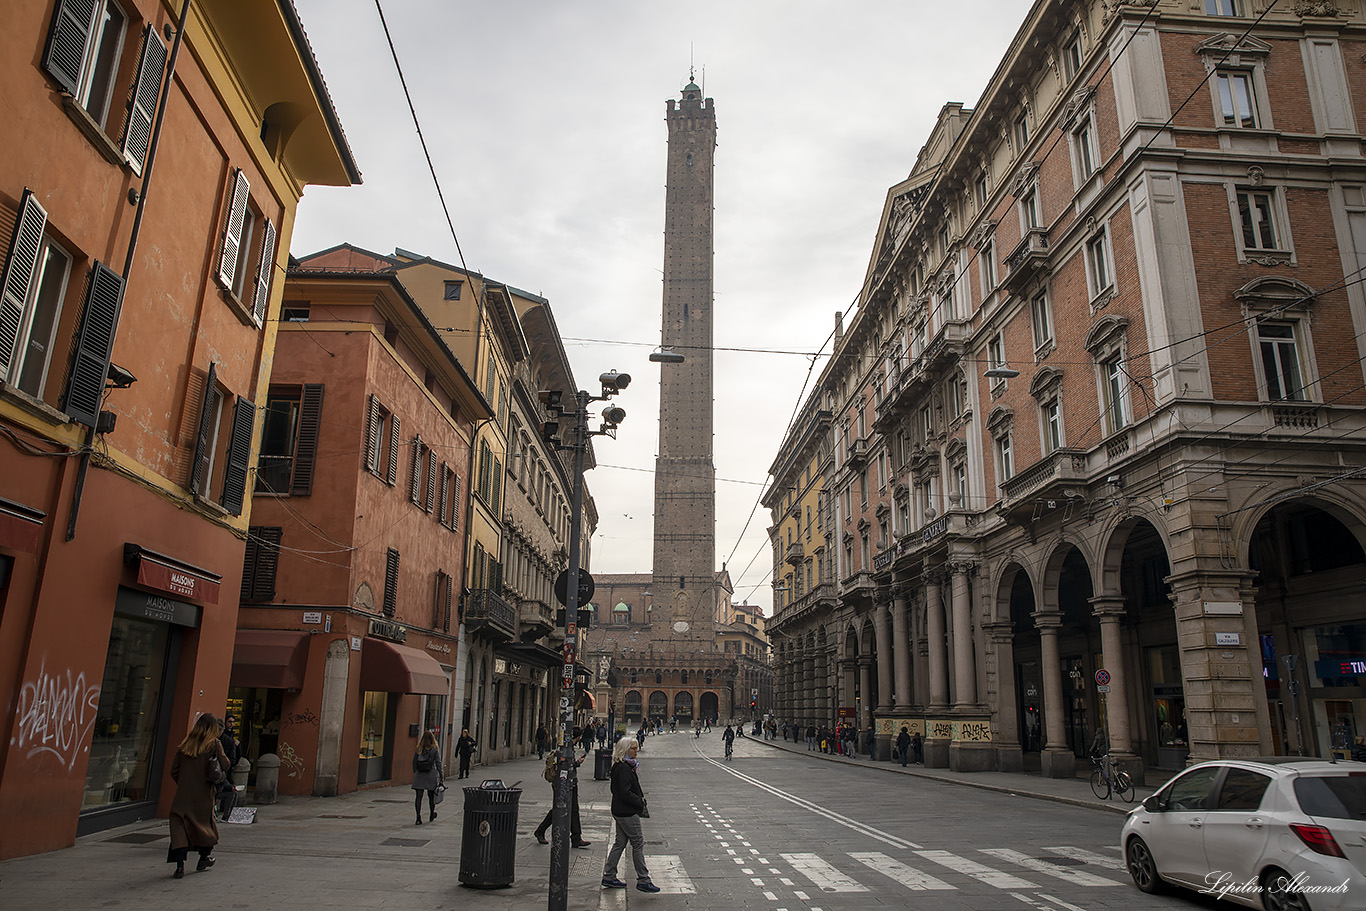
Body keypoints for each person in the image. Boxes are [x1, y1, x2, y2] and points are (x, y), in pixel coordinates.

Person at [167, 713, 230, 880]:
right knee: (204, 826)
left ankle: (179, 866)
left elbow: (174, 770)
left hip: (183, 794)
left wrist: (184, 783)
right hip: (203, 793)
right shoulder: (214, 744)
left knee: (180, 828)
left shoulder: (186, 744)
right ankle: (203, 858)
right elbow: (226, 764)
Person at [601, 736, 658, 893]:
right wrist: (639, 802)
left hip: (619, 810)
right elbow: (625, 792)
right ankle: (643, 879)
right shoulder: (625, 768)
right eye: (633, 748)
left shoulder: (620, 766)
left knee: (620, 843)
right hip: (627, 812)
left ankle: (609, 875)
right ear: (625, 750)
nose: (636, 751)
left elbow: (616, 790)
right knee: (638, 843)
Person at [533, 746, 591, 848]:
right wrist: (577, 763)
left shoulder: (567, 747)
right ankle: (540, 830)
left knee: (573, 809)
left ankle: (576, 837)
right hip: (564, 783)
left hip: (570, 783)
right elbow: (564, 764)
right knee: (559, 808)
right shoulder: (564, 748)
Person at [411, 731, 442, 825]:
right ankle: (431, 814)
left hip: (419, 775)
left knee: (418, 797)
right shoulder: (434, 748)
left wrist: (415, 772)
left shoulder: (419, 748)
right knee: (431, 796)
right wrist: (441, 774)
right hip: (430, 774)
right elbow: (438, 762)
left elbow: (414, 762)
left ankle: (418, 817)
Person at [216, 715, 242, 820]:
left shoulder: (229, 740)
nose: (231, 724)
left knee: (232, 791)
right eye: (229, 721)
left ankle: (228, 815)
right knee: (230, 790)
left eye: (233, 722)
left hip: (220, 774)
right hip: (216, 776)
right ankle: (227, 815)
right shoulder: (217, 742)